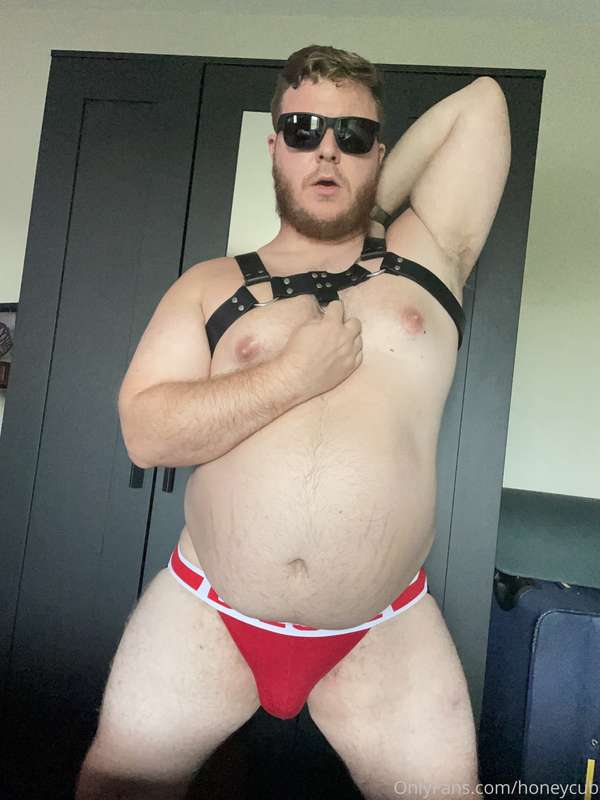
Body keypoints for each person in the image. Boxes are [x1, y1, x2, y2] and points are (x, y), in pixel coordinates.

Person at [76, 44, 510, 800]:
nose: (327, 150)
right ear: (274, 145)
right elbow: (146, 435)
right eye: (305, 131)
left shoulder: (430, 257)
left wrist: (371, 208)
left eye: (353, 136)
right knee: (120, 787)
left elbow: (483, 103)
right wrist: (289, 378)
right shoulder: (211, 284)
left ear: (381, 152)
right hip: (207, 606)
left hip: (384, 622)